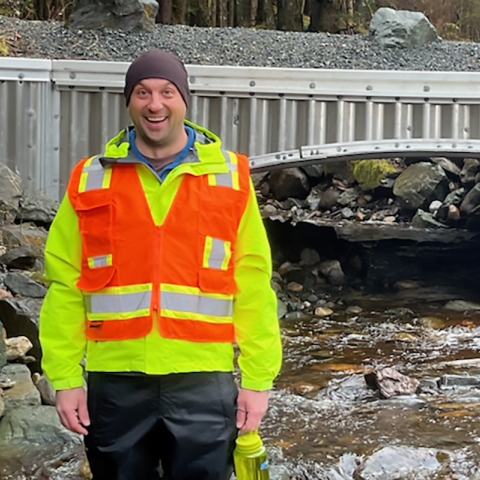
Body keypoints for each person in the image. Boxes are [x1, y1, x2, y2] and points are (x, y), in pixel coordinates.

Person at [39, 49, 282, 480]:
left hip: (204, 382)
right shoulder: (90, 178)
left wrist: (258, 380)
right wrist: (64, 378)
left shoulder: (230, 176)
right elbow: (65, 286)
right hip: (114, 383)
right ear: (129, 102)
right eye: (143, 92)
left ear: (184, 100)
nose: (155, 104)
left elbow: (253, 285)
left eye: (167, 92)